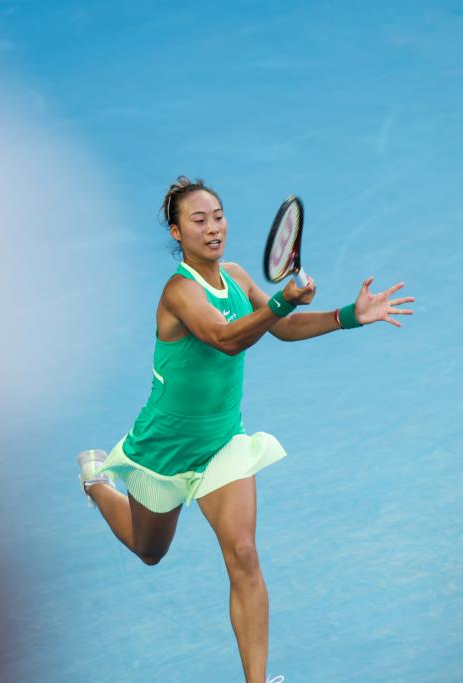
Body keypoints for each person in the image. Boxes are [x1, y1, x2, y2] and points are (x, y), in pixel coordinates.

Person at [76, 176, 415, 683]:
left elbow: (281, 328)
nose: (213, 228)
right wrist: (282, 301)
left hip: (221, 442)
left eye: (218, 217)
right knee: (149, 551)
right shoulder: (179, 292)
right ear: (177, 233)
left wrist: (348, 315)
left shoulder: (234, 275)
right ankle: (97, 483)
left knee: (244, 554)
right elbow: (225, 338)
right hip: (163, 448)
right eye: (198, 221)